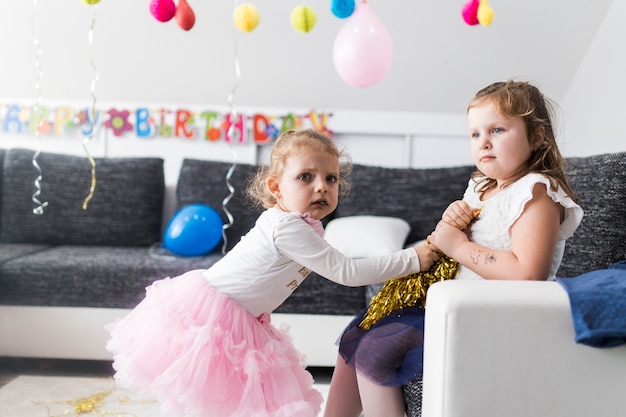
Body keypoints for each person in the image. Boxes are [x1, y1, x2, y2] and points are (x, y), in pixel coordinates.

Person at [105, 128, 439, 417]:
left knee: (245, 399)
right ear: (276, 187)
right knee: (219, 397)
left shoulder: (303, 224)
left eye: (331, 178)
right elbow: (347, 271)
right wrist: (412, 258)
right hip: (217, 315)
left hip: (247, 316)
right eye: (305, 177)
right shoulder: (287, 227)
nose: (322, 187)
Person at [323, 80, 583, 417]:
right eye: (475, 134)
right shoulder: (481, 185)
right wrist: (452, 222)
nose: (483, 142)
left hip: (495, 315)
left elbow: (527, 273)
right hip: (456, 302)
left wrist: (458, 244)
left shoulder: (536, 192)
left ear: (536, 136)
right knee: (358, 331)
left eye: (497, 129)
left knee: (377, 348)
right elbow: (457, 236)